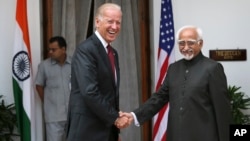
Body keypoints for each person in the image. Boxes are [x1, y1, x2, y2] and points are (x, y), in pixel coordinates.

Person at [120, 25, 231, 141]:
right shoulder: (173, 68)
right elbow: (159, 98)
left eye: (191, 43)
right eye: (182, 43)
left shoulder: (213, 68)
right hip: (176, 136)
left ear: (200, 43)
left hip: (204, 136)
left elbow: (222, 110)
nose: (186, 47)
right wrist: (134, 115)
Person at [66, 3, 128, 141]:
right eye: (110, 21)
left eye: (118, 22)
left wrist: (114, 132)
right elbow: (90, 92)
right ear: (97, 22)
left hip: (106, 131)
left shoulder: (113, 53)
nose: (115, 27)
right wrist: (115, 118)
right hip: (87, 131)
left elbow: (109, 95)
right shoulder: (86, 50)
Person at [35, 36, 71, 141]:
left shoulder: (74, 64)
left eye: (53, 49)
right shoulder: (44, 66)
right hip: (54, 116)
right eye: (49, 49)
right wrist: (48, 102)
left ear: (63, 49)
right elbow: (39, 86)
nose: (50, 52)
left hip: (72, 115)